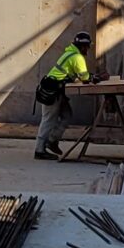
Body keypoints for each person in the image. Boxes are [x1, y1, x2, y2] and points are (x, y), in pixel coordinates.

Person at [33, 31, 92, 160]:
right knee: (48, 119)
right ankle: (39, 150)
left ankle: (52, 141)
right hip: (53, 91)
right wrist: (95, 78)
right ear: (83, 46)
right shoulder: (77, 57)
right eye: (87, 47)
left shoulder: (69, 53)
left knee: (67, 115)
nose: (87, 49)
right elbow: (85, 77)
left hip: (55, 89)